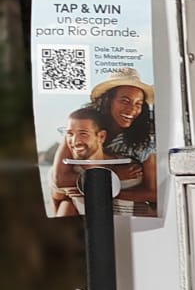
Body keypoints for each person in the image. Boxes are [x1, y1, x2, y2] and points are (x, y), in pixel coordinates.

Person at [51, 68, 157, 213]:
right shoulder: (85, 123)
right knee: (62, 198)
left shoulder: (143, 140)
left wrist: (104, 191)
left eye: (138, 103)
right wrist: (114, 176)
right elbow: (60, 179)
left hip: (117, 200)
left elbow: (153, 193)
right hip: (80, 195)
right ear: (108, 100)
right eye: (125, 101)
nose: (132, 110)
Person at [50, 105, 126, 217]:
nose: (75, 141)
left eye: (83, 133)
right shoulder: (63, 174)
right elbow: (56, 202)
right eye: (70, 134)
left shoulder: (128, 168)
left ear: (101, 136)